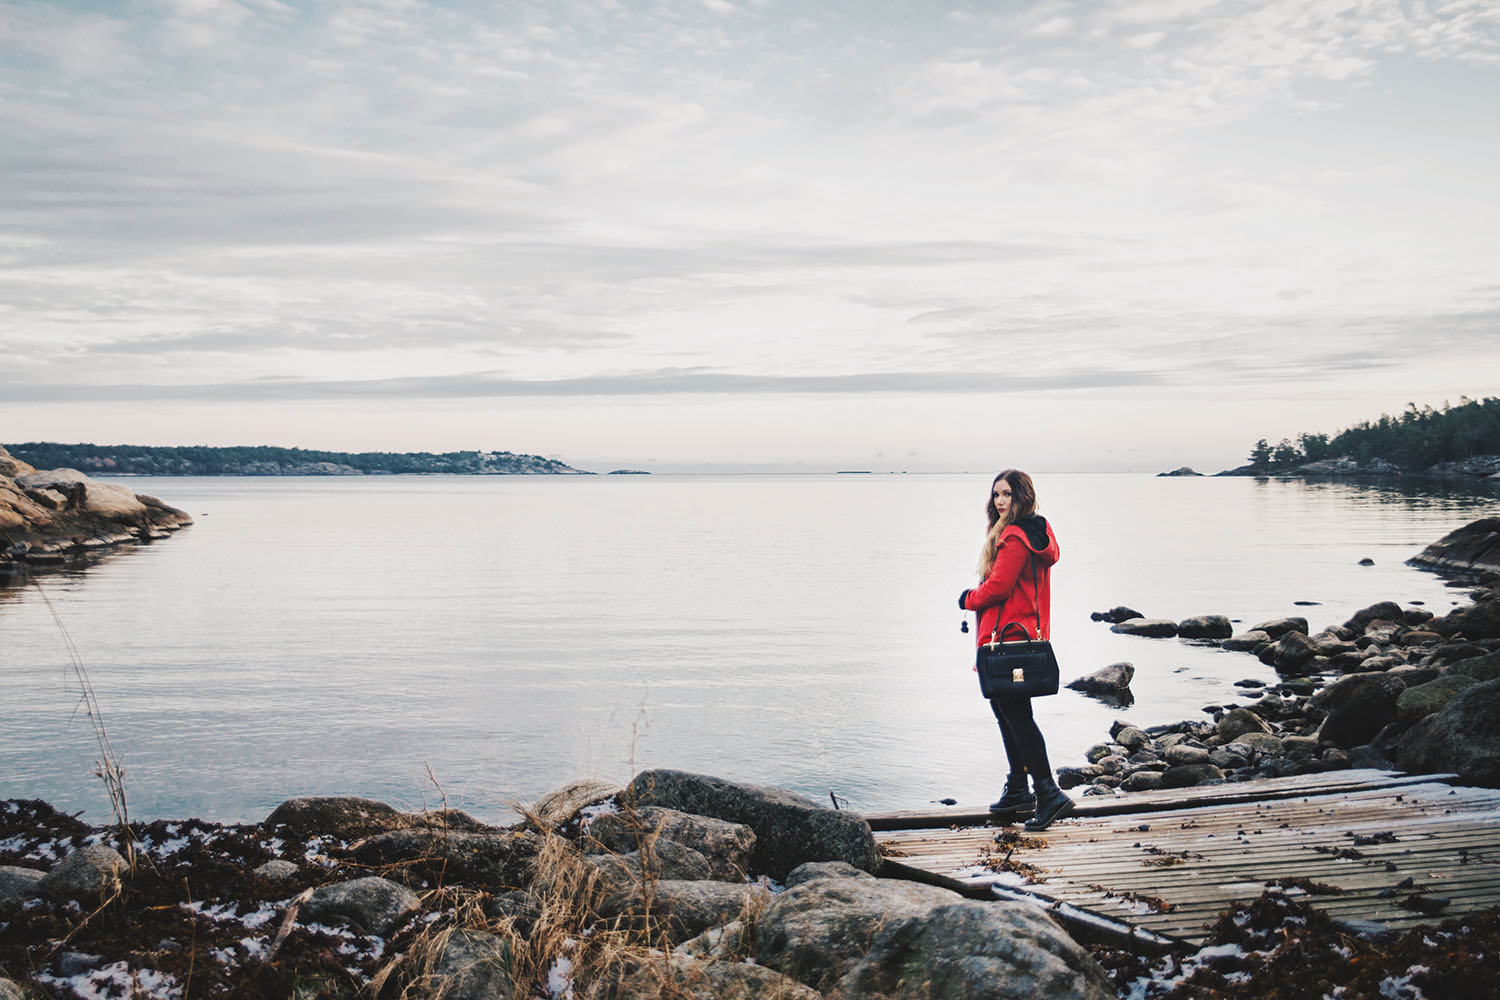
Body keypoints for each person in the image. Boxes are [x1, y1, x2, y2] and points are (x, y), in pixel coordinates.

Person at [957, 469, 1075, 831]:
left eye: (1007, 494)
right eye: (996, 495)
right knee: (1008, 715)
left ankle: (1048, 792)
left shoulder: (1015, 536)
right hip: (1020, 635)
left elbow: (998, 588)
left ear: (1022, 496)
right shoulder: (1035, 532)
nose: (1000, 501)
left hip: (1008, 639)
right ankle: (1019, 790)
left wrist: (968, 599)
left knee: (1018, 718)